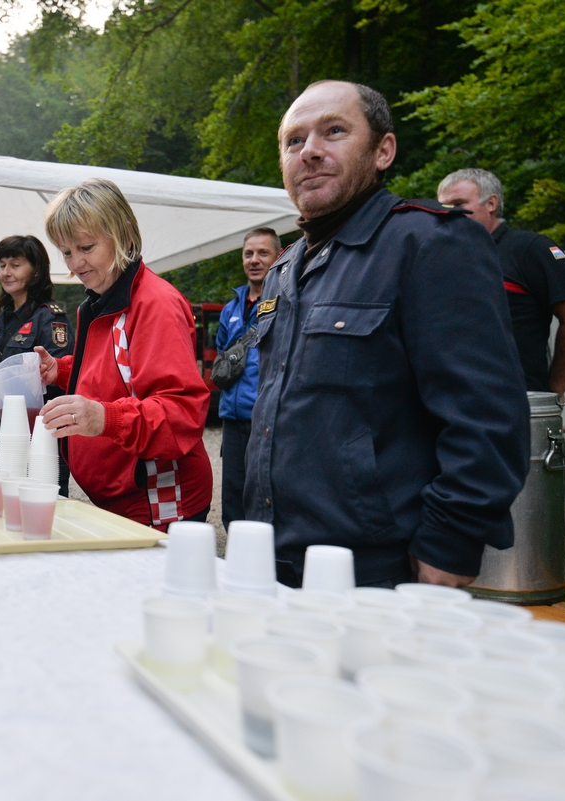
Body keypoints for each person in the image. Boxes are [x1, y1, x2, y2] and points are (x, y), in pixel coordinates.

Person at [243, 80, 529, 589]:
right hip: (276, 558)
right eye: (294, 141)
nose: (310, 151)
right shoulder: (285, 267)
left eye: (334, 131)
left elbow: (487, 413)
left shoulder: (430, 243)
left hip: (380, 570)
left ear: (383, 150)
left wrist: (451, 542)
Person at [35, 179, 213, 529]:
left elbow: (181, 413)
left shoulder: (154, 304)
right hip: (121, 501)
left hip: (159, 503)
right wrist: (61, 370)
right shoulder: (103, 299)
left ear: (125, 236)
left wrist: (104, 419)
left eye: (86, 247)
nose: (76, 264)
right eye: (67, 251)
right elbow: (117, 372)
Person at [436, 168, 565, 399]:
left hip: (514, 406)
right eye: (443, 206)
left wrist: (553, 390)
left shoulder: (528, 249)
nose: (449, 213)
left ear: (491, 203)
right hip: (449, 406)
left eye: (458, 203)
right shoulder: (439, 257)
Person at [0, 236, 74, 488]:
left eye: (15, 265)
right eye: (2, 265)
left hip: (39, 442)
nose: (6, 272)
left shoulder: (50, 318)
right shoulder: (1, 320)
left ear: (36, 270)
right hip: (1, 436)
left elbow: (55, 381)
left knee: (39, 514)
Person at [216, 228, 281, 531]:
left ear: (278, 257)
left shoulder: (286, 302)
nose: (254, 260)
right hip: (233, 418)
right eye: (248, 253)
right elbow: (221, 355)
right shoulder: (231, 308)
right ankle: (235, 562)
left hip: (268, 420)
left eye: (263, 253)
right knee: (232, 495)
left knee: (266, 497)